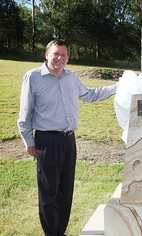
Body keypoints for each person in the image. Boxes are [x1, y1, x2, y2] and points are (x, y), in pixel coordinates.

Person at [17, 39, 117, 236]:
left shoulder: (71, 77)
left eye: (63, 55)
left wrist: (118, 87)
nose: (59, 58)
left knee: (65, 191)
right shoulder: (33, 77)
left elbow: (91, 95)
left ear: (68, 58)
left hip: (68, 141)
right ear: (46, 55)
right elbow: (24, 115)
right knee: (48, 193)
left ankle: (59, 231)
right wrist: (29, 142)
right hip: (46, 142)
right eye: (55, 54)